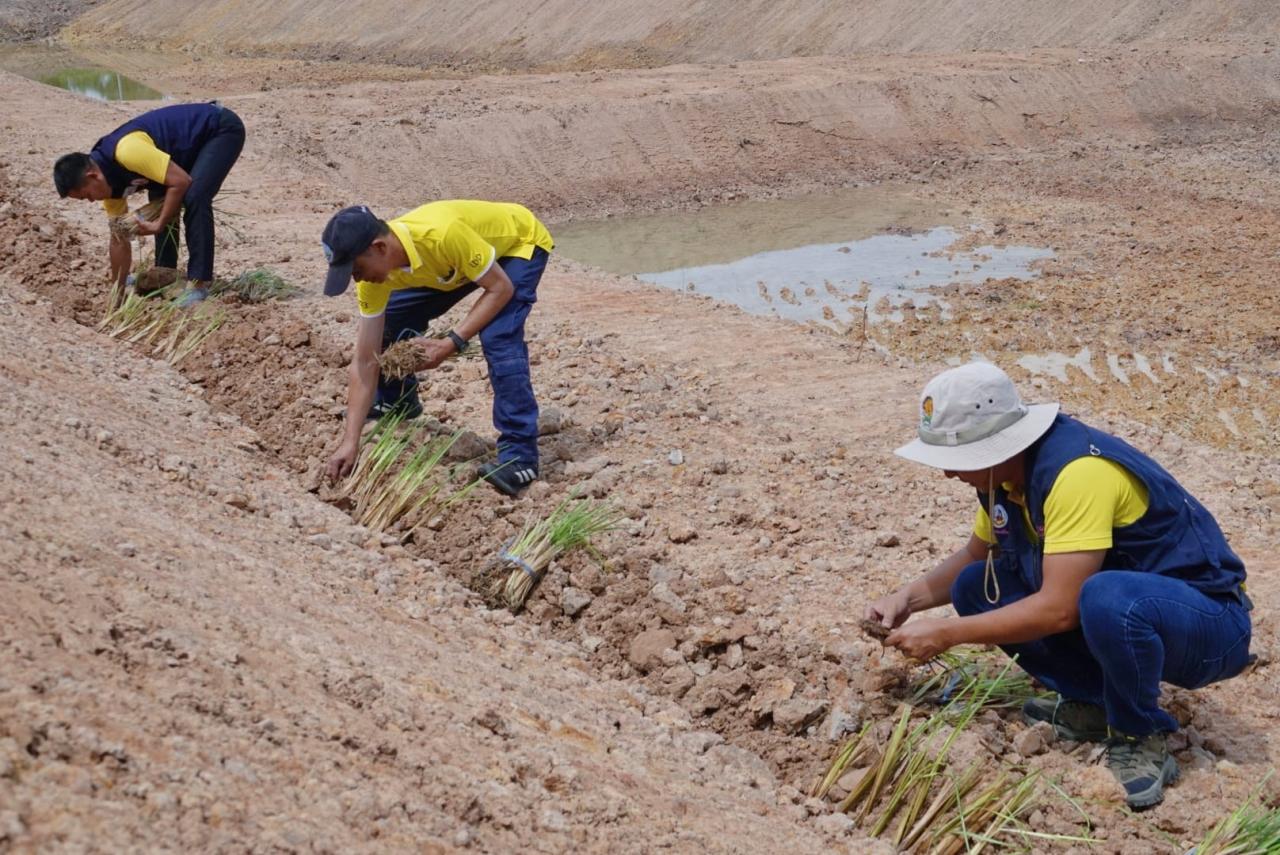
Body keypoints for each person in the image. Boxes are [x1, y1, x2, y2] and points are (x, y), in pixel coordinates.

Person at [868, 361, 1251, 810]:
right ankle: (1095, 704)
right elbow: (978, 556)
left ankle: (1139, 732)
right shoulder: (1003, 478)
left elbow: (1060, 609)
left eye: (957, 460)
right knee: (975, 586)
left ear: (995, 445)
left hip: (1209, 625)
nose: (949, 474)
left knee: (1107, 598)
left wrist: (947, 634)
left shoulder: (1076, 473)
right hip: (1132, 617)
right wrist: (908, 600)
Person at [320, 201, 553, 497]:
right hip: (456, 265)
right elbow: (365, 361)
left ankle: (521, 457)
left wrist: (452, 342)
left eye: (356, 269)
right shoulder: (374, 277)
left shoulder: (441, 235)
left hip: (516, 246)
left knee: (498, 336)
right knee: (392, 319)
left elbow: (500, 289)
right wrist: (349, 441)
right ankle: (398, 400)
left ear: (379, 248)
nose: (357, 279)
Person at [53, 101, 245, 306]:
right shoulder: (108, 188)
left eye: (86, 196)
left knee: (194, 196)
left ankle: (199, 286)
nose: (91, 201)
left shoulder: (127, 151)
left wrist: (159, 223)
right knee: (160, 197)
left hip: (217, 129)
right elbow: (119, 237)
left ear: (92, 176)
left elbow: (181, 181)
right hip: (181, 152)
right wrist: (117, 292)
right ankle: (165, 273)